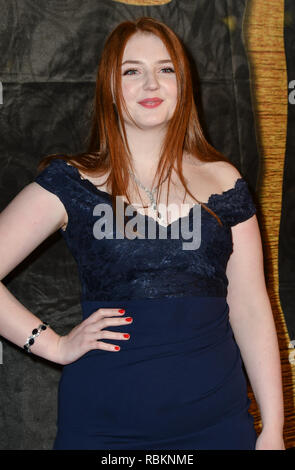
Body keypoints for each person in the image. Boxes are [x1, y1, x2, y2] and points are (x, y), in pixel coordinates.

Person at [0, 16, 285, 450]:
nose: (151, 83)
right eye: (132, 70)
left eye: (166, 68)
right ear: (110, 88)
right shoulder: (72, 183)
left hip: (218, 425)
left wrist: (273, 429)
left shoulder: (224, 180)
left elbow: (250, 306)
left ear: (183, 83)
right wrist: (52, 344)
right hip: (103, 429)